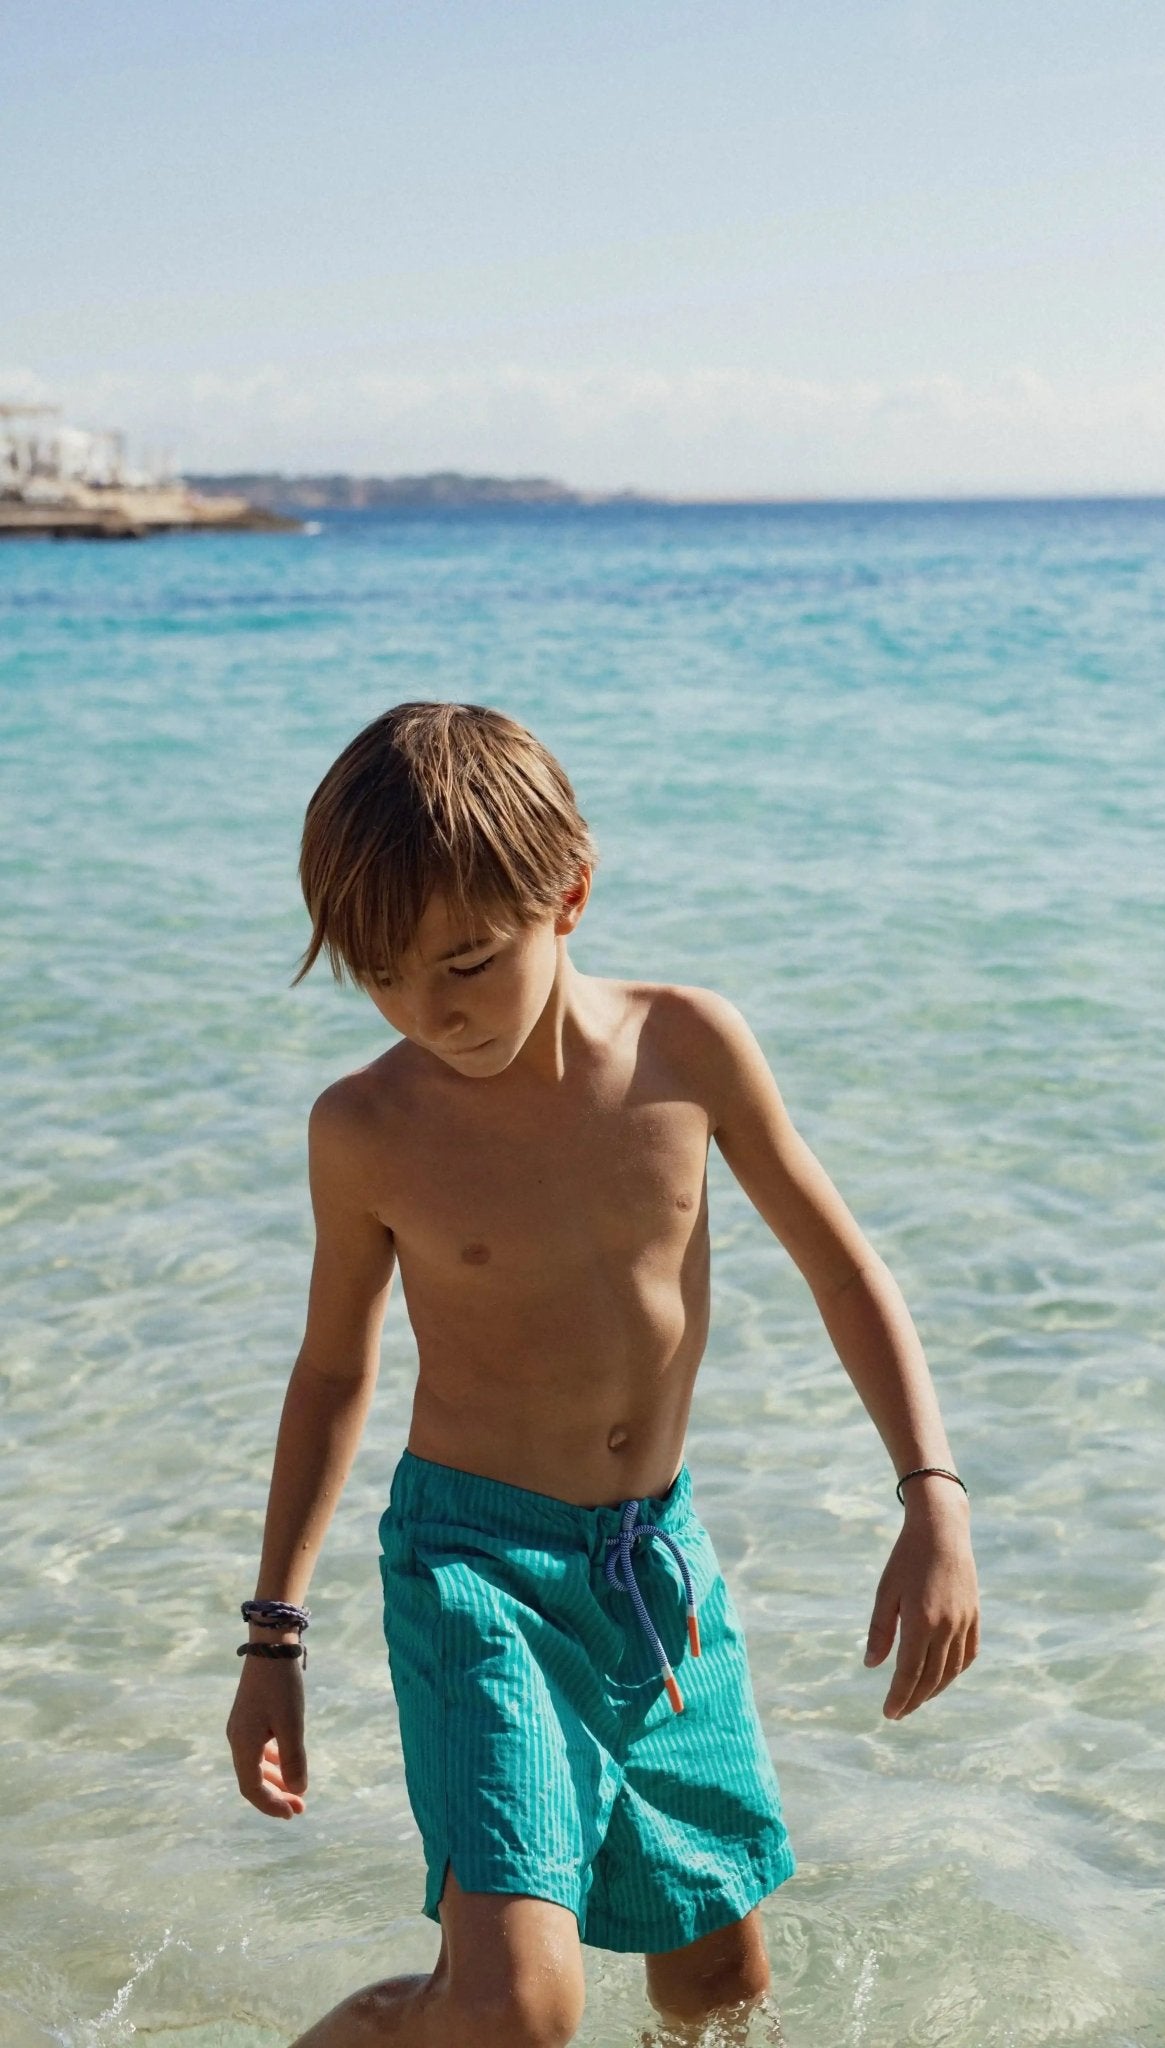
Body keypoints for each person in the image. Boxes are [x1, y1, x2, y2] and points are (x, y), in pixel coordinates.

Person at [226, 701, 979, 2048]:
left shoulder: (687, 1050)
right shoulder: (367, 1128)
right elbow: (332, 1375)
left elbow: (841, 1268)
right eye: (384, 976)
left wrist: (932, 1498)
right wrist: (272, 1635)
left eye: (464, 959)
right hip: (476, 1574)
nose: (428, 1009)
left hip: (655, 1571)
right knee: (516, 2009)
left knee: (719, 1987)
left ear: (567, 894)